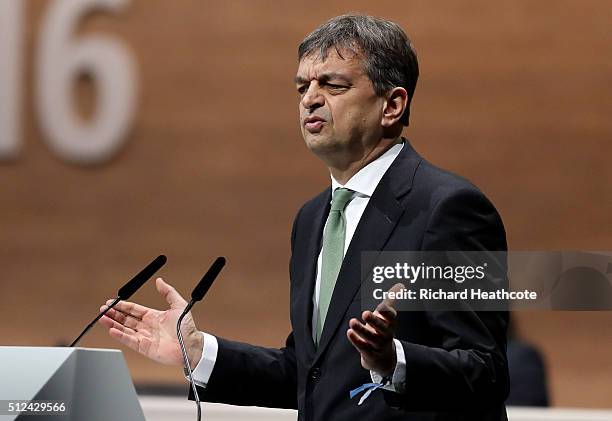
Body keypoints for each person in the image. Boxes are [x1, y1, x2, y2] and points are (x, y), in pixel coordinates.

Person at [100, 14, 509, 420]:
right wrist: (199, 353)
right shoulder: (313, 219)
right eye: (302, 87)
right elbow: (311, 375)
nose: (310, 99)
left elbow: (486, 372)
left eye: (333, 85)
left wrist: (393, 361)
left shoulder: (450, 209)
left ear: (393, 105)